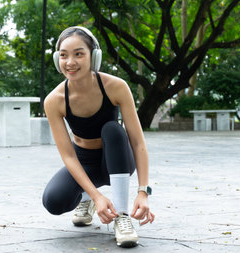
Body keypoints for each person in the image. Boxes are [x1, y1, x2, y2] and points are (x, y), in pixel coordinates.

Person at [42, 26, 155, 248]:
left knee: (112, 129)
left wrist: (143, 192)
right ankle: (87, 199)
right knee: (53, 201)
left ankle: (122, 217)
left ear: (94, 57)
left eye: (78, 53)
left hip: (118, 159)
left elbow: (138, 143)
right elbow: (68, 156)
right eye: (63, 55)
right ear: (57, 59)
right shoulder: (54, 100)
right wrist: (96, 196)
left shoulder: (116, 87)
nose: (70, 62)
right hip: (85, 163)